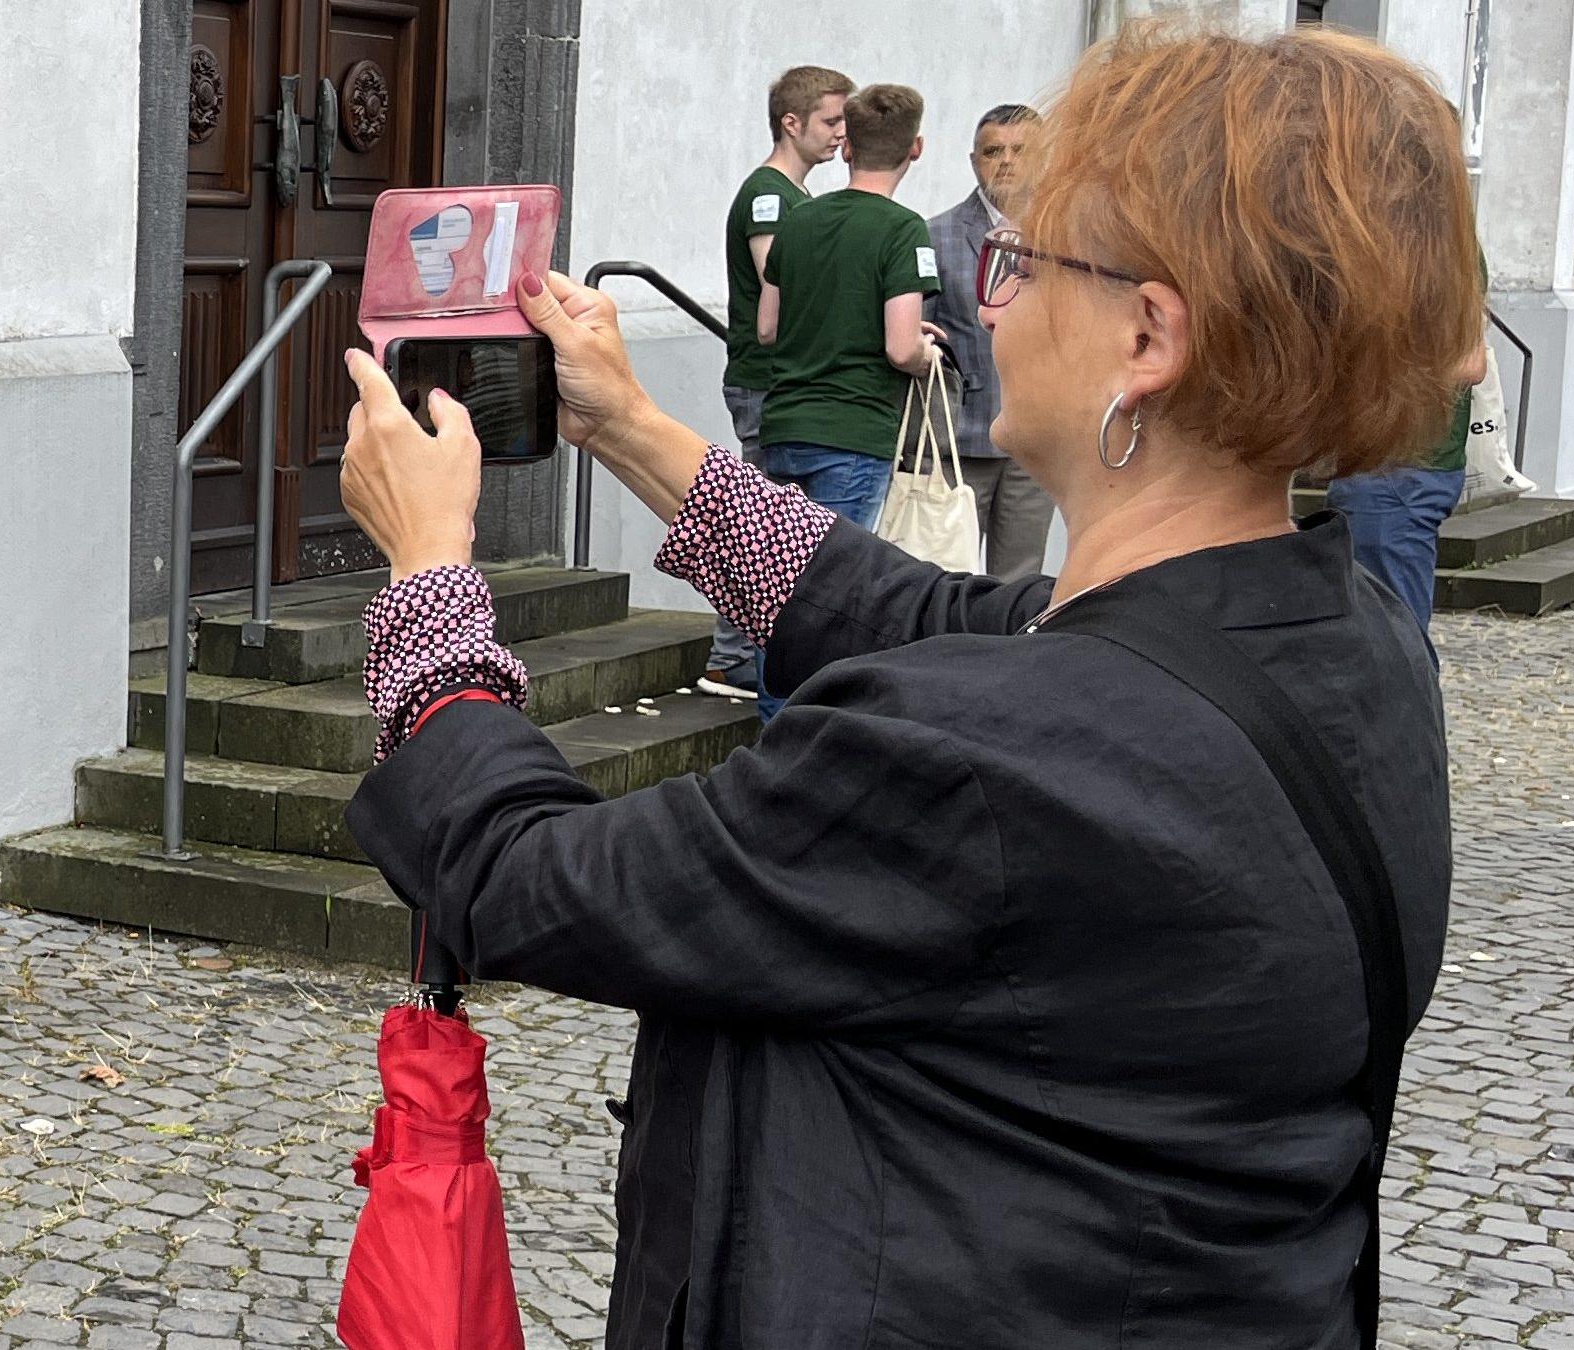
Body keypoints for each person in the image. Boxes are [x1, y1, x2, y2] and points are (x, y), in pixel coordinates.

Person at [335, 20, 1467, 1349]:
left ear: (1147, 339)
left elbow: (529, 880)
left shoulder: (987, 754)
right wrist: (632, 427)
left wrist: (428, 577)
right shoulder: (1352, 639)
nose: (986, 300)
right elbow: (918, 612)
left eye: (1026, 260)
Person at [750, 81, 940, 718]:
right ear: (915, 147)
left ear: (849, 143)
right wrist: (927, 352)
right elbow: (899, 347)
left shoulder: (800, 217)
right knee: (834, 592)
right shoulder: (903, 228)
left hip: (784, 424)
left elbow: (767, 328)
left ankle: (774, 718)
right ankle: (815, 728)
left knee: (777, 581)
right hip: (854, 430)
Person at [702, 64, 854, 700]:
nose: (842, 134)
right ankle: (732, 657)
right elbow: (781, 283)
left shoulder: (796, 197)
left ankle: (739, 653)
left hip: (780, 381)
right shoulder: (771, 196)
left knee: (769, 521)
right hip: (768, 380)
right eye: (830, 121)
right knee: (761, 523)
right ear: (791, 124)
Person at [1327, 256, 1490, 646]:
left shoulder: (1431, 246)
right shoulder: (1422, 240)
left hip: (1400, 471)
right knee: (1377, 633)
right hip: (1386, 468)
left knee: (1394, 638)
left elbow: (1470, 363)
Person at [928, 103, 1056, 581]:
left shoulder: (1069, 233)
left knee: (1022, 581)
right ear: (973, 161)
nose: (1006, 161)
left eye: (1020, 151)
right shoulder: (936, 236)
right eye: (993, 151)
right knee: (949, 577)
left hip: (1037, 439)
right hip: (963, 441)